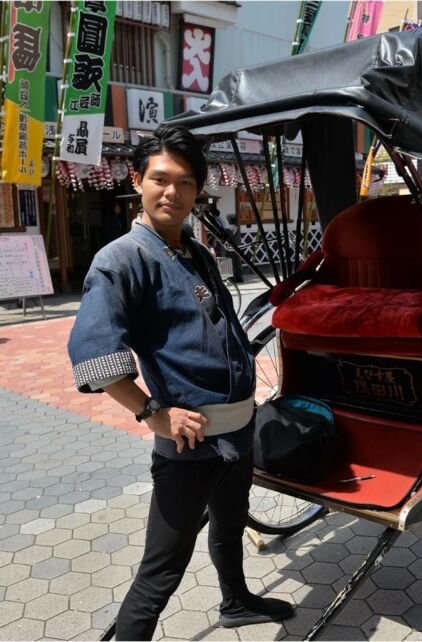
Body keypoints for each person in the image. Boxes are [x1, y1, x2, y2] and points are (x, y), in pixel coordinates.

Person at [67, 124, 293, 640]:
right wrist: (152, 413)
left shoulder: (195, 250)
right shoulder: (121, 259)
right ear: (137, 181)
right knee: (162, 569)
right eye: (161, 179)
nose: (173, 192)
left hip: (238, 432)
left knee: (230, 525)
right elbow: (96, 355)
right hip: (189, 441)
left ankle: (235, 601)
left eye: (186, 182)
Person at [226, 213, 244, 282]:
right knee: (238, 263)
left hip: (231, 248)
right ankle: (240, 278)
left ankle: (233, 278)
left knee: (232, 263)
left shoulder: (229, 228)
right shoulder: (237, 227)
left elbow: (228, 238)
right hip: (238, 246)